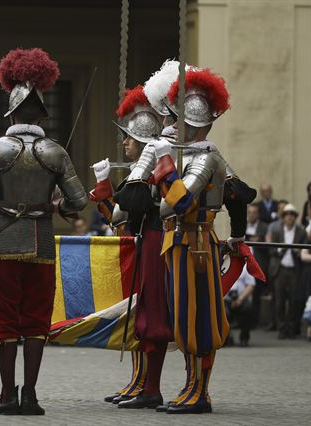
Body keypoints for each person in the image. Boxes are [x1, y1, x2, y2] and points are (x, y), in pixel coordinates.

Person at [118, 67, 256, 414]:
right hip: (175, 242)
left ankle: (199, 391)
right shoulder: (189, 153)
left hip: (196, 242)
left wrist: (164, 165)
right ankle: (188, 387)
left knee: (199, 320)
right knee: (181, 317)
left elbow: (178, 202)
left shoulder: (207, 156)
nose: (173, 123)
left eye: (179, 118)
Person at [0, 48, 88, 415]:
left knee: (5, 319)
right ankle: (31, 395)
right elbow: (78, 201)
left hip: (2, 240)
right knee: (36, 319)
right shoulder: (54, 151)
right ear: (41, 114)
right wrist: (55, 207)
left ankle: (7, 395)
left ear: (12, 112)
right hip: (42, 242)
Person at [92, 83, 169, 410]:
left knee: (153, 314)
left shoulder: (154, 171)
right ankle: (140, 383)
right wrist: (105, 188)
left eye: (129, 138)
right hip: (142, 241)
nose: (124, 143)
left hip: (155, 240)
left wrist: (111, 192)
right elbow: (117, 217)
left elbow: (130, 208)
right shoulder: (140, 172)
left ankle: (152, 387)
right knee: (140, 313)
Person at [267, 204, 307, 339]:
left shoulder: (301, 231)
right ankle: (281, 328)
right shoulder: (277, 231)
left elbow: (304, 249)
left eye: (292, 215)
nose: (289, 217)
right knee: (279, 301)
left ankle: (290, 327)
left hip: (294, 270)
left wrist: (297, 251)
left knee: (293, 300)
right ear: (283, 218)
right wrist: (281, 249)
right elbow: (271, 250)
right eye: (287, 215)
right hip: (280, 269)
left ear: (295, 217)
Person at [246, 203, 269, 327]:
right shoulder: (242, 226)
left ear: (258, 214)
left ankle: (254, 321)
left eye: (254, 212)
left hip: (259, 264)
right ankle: (244, 322)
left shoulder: (264, 227)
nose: (251, 215)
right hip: (245, 266)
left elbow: (269, 247)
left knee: (256, 295)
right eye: (249, 212)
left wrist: (259, 241)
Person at [224, 264, 255, 347]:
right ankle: (224, 338)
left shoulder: (245, 267)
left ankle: (244, 338)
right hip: (224, 298)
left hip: (240, 297)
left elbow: (251, 285)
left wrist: (240, 299)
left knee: (247, 308)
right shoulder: (221, 265)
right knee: (219, 311)